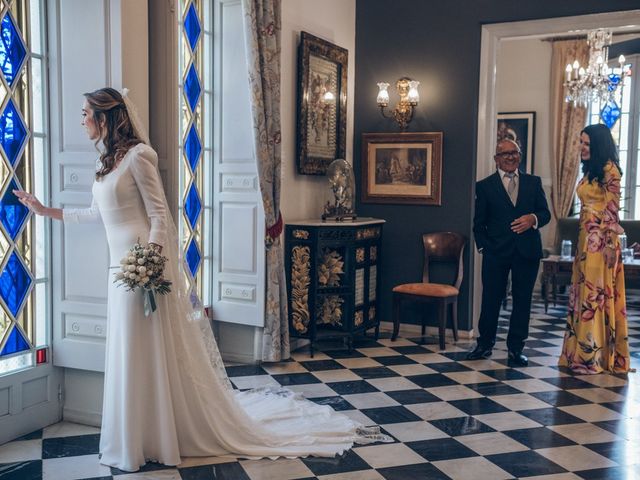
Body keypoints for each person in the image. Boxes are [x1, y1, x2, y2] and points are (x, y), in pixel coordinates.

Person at [14, 87, 389, 472]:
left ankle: (156, 436)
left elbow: (160, 216)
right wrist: (45, 211)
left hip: (142, 269)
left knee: (142, 351)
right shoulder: (107, 162)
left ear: (106, 118)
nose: (82, 121)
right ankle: (136, 437)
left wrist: (150, 262)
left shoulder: (139, 157)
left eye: (85, 114)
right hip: (121, 272)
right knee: (129, 353)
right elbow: (96, 214)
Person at [469, 139, 551, 366]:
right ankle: (484, 344)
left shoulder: (534, 183)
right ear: (496, 159)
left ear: (520, 155)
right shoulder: (484, 186)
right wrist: (485, 247)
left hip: (527, 252)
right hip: (496, 252)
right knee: (491, 299)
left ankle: (516, 349)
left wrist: (532, 219)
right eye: (505, 154)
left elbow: (545, 214)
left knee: (523, 300)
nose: (510, 157)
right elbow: (478, 223)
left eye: (514, 152)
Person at [558, 124, 631, 374]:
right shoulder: (590, 172)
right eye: (581, 142)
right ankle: (578, 353)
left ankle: (593, 357)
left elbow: (612, 213)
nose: (582, 148)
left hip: (601, 244)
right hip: (584, 242)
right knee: (582, 295)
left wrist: (611, 245)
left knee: (594, 295)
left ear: (598, 145)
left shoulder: (611, 171)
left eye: (586, 144)